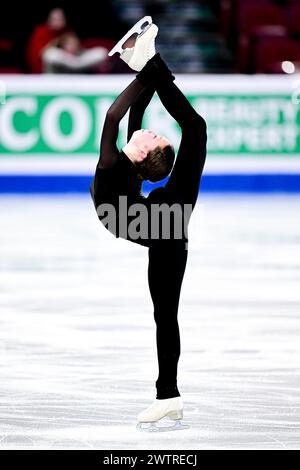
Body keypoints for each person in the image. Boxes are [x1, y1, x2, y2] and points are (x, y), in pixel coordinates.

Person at [90, 18, 207, 429]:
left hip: (161, 223)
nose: (151, 133)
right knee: (196, 127)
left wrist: (146, 71)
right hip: (159, 221)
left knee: (165, 315)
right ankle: (169, 396)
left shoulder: (114, 165)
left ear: (142, 156)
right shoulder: (128, 165)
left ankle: (167, 396)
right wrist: (145, 70)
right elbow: (133, 116)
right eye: (155, 137)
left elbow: (112, 116)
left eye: (154, 139)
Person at [27, 8, 69, 73]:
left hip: (67, 68)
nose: (58, 21)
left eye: (60, 19)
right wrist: (56, 42)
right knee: (52, 54)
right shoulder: (41, 31)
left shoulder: (67, 32)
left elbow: (77, 52)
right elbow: (39, 54)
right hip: (43, 70)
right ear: (49, 20)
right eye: (55, 19)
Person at [41, 32, 108, 73]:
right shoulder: (55, 57)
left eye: (74, 43)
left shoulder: (83, 57)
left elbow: (102, 52)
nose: (72, 46)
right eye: (69, 44)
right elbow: (49, 54)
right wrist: (72, 61)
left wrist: (78, 62)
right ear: (63, 45)